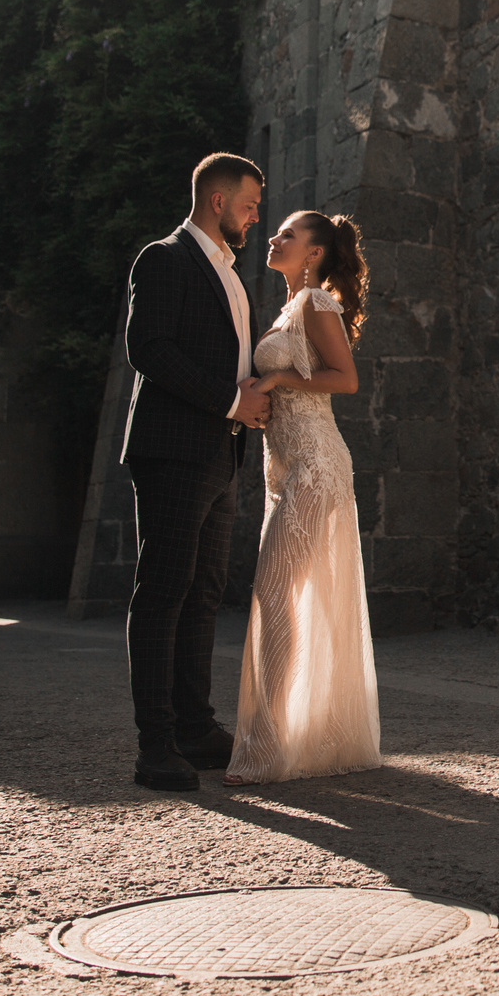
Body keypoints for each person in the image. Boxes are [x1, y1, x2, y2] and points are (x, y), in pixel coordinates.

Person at [118, 152, 271, 793]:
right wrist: (233, 402)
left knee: (204, 595)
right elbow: (148, 350)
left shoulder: (230, 274)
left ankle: (195, 727)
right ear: (217, 201)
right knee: (163, 593)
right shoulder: (164, 258)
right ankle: (155, 747)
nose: (255, 216)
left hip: (220, 453)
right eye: (250, 204)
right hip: (173, 451)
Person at [225, 209, 382, 784]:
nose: (273, 237)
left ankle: (266, 750)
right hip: (287, 467)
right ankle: (300, 736)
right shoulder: (290, 307)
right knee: (284, 596)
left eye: (287, 235)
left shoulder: (316, 303)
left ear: (314, 254)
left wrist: (276, 378)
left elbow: (346, 379)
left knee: (274, 593)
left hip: (316, 466)